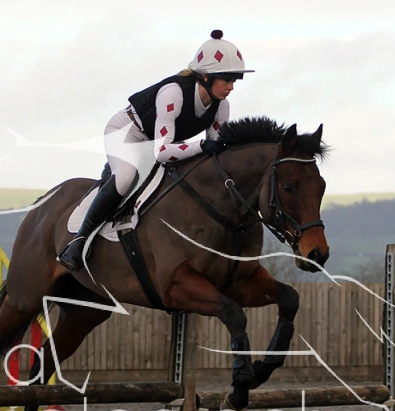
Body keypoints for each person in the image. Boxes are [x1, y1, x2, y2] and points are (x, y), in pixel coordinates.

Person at [57, 29, 254, 272]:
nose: (231, 87)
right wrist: (202, 145)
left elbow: (215, 153)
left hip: (156, 143)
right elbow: (163, 152)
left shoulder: (221, 106)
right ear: (205, 77)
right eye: (227, 79)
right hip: (127, 134)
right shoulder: (174, 93)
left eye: (235, 80)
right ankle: (79, 241)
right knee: (125, 177)